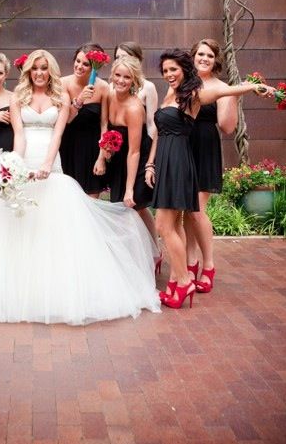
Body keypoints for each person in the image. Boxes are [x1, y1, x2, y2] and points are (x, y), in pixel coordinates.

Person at [0, 49, 161, 326]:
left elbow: (58, 135)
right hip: (25, 165)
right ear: (28, 71)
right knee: (19, 227)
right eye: (34, 69)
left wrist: (47, 166)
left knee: (52, 228)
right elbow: (19, 136)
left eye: (43, 68)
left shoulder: (60, 97)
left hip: (50, 166)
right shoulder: (18, 98)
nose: (39, 73)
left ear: (49, 70)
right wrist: (16, 166)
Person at [145, 48, 276, 310]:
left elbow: (224, 92)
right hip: (165, 160)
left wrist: (253, 87)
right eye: (166, 70)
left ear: (184, 69)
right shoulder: (170, 93)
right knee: (172, 224)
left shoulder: (192, 94)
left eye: (174, 69)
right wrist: (150, 163)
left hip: (179, 161)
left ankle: (183, 281)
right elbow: (159, 132)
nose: (169, 74)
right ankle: (177, 280)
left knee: (163, 226)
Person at [94, 55, 160, 265]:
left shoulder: (134, 108)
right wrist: (102, 157)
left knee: (133, 205)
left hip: (135, 161)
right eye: (118, 75)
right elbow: (105, 127)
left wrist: (129, 188)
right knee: (127, 208)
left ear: (134, 81)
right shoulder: (109, 95)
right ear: (112, 75)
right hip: (117, 158)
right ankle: (144, 255)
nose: (121, 81)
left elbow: (134, 151)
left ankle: (145, 257)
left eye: (127, 78)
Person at [184, 39, 238, 293]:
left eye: (209, 55)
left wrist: (234, 96)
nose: (203, 58)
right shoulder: (184, 83)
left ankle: (208, 265)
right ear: (193, 57)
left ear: (215, 60)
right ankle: (189, 263)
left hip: (205, 149)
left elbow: (227, 127)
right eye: (199, 54)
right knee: (184, 210)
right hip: (182, 148)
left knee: (196, 209)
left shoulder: (222, 87)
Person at [60, 43, 109, 196]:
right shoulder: (63, 83)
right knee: (67, 199)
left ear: (95, 66)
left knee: (91, 201)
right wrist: (79, 101)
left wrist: (101, 157)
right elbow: (65, 120)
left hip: (91, 149)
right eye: (78, 61)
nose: (79, 66)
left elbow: (104, 124)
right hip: (67, 147)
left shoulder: (103, 87)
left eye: (85, 64)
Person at [114, 42, 158, 139]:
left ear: (137, 60)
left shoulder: (148, 87)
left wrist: (150, 151)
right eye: (117, 58)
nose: (120, 61)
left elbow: (151, 124)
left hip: (140, 141)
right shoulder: (111, 87)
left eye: (125, 57)